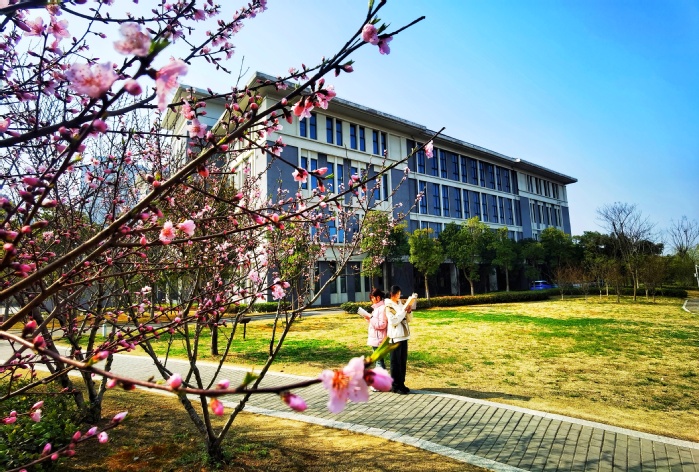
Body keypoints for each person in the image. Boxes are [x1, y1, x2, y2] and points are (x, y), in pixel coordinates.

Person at [384, 285, 417, 394]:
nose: (398, 296)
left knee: (402, 361)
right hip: (395, 337)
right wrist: (403, 312)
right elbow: (393, 321)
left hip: (404, 335)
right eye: (396, 294)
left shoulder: (401, 303)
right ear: (391, 294)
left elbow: (409, 319)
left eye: (399, 293)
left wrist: (409, 311)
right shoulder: (388, 306)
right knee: (395, 362)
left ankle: (401, 384)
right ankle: (395, 385)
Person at [359, 287, 388, 369]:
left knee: (379, 362)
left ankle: (381, 376)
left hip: (378, 339)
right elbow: (375, 323)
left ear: (378, 297)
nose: (371, 300)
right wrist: (369, 319)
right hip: (376, 338)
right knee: (379, 361)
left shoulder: (382, 308)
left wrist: (371, 318)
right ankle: (382, 376)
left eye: (372, 298)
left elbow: (382, 324)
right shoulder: (377, 308)